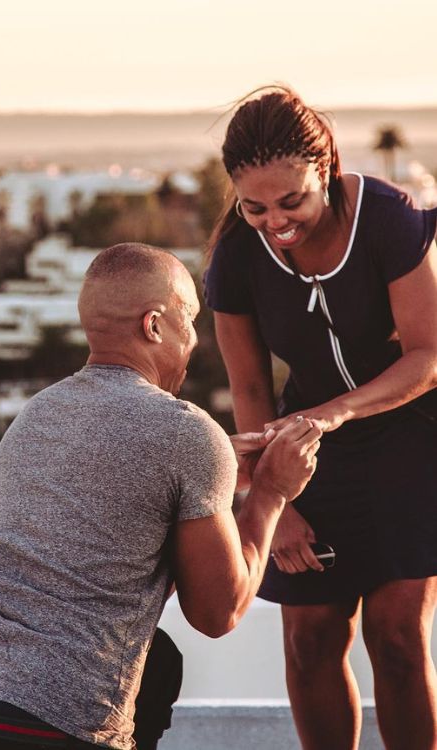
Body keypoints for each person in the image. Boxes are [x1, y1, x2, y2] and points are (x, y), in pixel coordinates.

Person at [0, 242, 321, 750]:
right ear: (154, 325)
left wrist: (214, 472)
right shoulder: (184, 432)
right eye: (189, 321)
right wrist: (272, 492)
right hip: (54, 719)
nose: (194, 342)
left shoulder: (35, 415)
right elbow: (217, 613)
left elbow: (111, 507)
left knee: (157, 659)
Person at [204, 85, 437, 750]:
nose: (275, 219)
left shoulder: (390, 218)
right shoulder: (238, 256)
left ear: (327, 164)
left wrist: (334, 412)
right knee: (310, 639)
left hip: (412, 435)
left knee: (395, 636)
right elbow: (248, 385)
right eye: (255, 207)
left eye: (291, 200)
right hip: (304, 454)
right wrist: (273, 500)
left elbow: (427, 355)